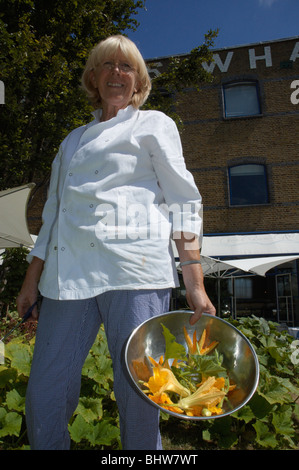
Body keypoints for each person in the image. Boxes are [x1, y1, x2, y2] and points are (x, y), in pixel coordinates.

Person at [17, 35, 215, 450]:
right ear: (93, 77)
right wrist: (31, 279)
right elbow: (52, 214)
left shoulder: (154, 124)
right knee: (44, 393)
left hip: (135, 269)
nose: (116, 73)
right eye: (107, 65)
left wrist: (193, 282)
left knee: (141, 394)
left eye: (126, 67)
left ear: (139, 79)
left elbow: (183, 200)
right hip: (67, 277)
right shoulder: (71, 140)